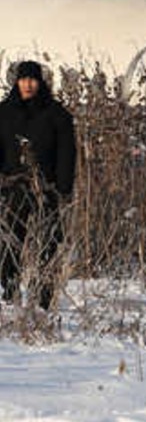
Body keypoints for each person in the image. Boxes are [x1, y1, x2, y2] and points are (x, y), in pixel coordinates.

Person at [0, 61, 76, 309]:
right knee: (9, 243)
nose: (28, 84)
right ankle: (9, 292)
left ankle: (44, 296)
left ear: (40, 82)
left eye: (33, 79)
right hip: (12, 187)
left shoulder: (56, 114)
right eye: (23, 79)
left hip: (46, 189)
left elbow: (67, 153)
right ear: (16, 82)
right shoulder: (4, 112)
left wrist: (63, 188)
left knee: (49, 241)